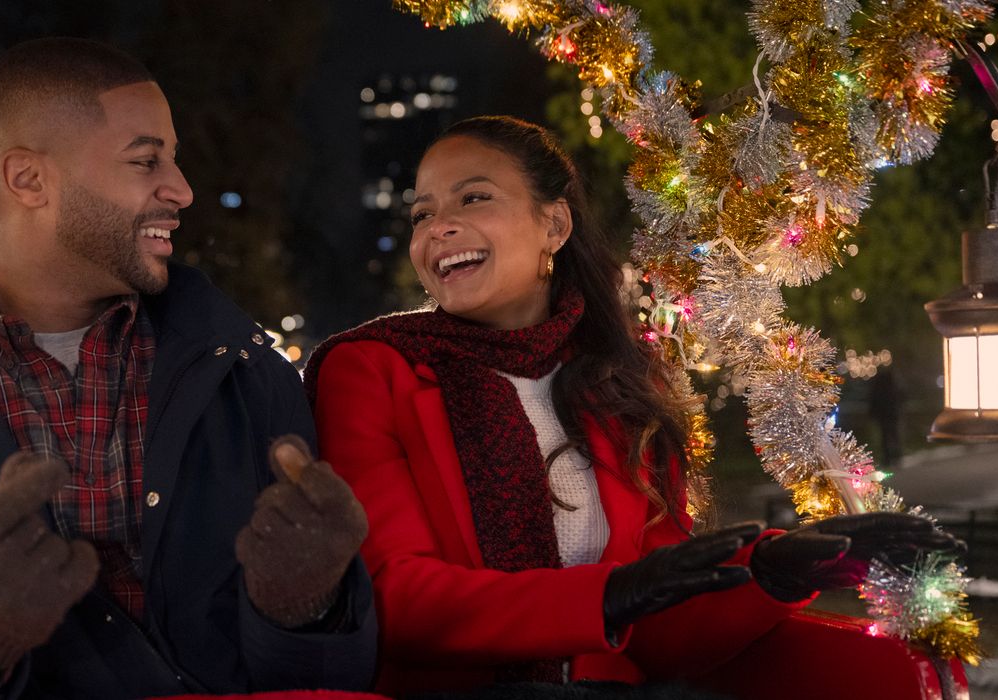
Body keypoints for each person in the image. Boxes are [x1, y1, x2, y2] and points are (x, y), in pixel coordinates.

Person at [0, 38, 376, 699]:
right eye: (145, 161)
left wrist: (307, 607)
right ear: (28, 180)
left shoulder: (244, 371)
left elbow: (326, 685)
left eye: (173, 160)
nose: (181, 190)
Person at [303, 116, 959, 695]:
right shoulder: (370, 369)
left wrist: (769, 574)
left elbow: (663, 632)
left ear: (553, 225)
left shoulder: (616, 384)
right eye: (421, 213)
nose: (439, 226)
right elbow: (394, 595)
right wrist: (608, 595)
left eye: (473, 198)